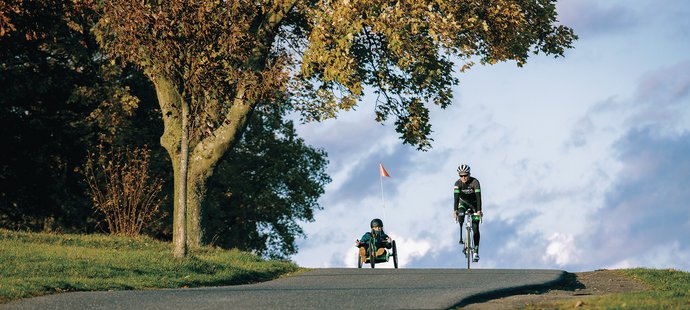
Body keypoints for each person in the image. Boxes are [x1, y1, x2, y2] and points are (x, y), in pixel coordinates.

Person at [453, 164, 482, 262]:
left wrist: (479, 211)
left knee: (475, 228)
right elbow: (456, 198)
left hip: (474, 204)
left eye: (465, 175)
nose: (463, 178)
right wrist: (455, 211)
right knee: (460, 214)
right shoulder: (457, 184)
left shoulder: (475, 182)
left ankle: (476, 252)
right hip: (463, 203)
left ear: (469, 174)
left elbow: (478, 197)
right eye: (461, 176)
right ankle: (462, 236)